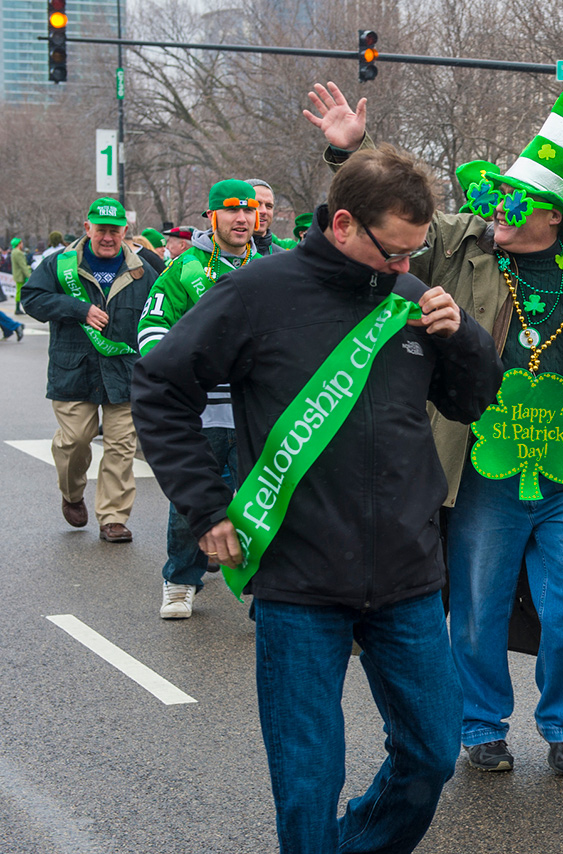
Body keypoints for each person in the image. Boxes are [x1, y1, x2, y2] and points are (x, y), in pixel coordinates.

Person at [132, 144, 503, 853]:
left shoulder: (410, 303)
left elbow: (470, 403)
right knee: (308, 782)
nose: (406, 267)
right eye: (393, 252)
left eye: (414, 253)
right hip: (299, 580)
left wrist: (467, 341)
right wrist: (206, 506)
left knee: (429, 756)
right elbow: (160, 385)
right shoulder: (257, 293)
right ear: (341, 225)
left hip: (408, 575)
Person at [305, 47, 563, 776]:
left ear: (555, 217)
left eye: (517, 202)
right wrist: (351, 147)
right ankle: (483, 725)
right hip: (482, 475)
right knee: (475, 611)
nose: (500, 209)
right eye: (496, 197)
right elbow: (390, 218)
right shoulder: (461, 245)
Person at [138, 180, 264, 619]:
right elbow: (152, 331)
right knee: (193, 496)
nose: (242, 219)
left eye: (248, 211)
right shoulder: (184, 269)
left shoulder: (271, 267)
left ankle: (260, 589)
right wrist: (178, 379)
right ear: (212, 216)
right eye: (232, 211)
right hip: (205, 408)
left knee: (260, 497)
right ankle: (180, 579)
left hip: (258, 411)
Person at [22, 198, 158, 542]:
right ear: (88, 229)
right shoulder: (59, 264)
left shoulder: (145, 267)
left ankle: (113, 518)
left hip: (126, 372)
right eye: (101, 230)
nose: (108, 237)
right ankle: (71, 493)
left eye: (115, 230)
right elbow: (32, 299)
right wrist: (76, 308)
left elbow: (166, 305)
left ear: (125, 231)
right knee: (75, 441)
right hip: (74, 370)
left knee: (121, 446)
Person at [246, 179, 285, 256]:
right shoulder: (219, 254)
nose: (264, 211)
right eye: (257, 204)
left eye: (269, 206)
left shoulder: (283, 258)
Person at [11, 237, 31, 314]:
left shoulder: (13, 252)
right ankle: (17, 309)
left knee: (18, 291)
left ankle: (18, 308)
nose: (22, 245)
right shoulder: (18, 253)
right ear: (19, 244)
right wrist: (29, 275)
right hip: (21, 275)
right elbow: (23, 265)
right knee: (19, 292)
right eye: (21, 243)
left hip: (16, 274)